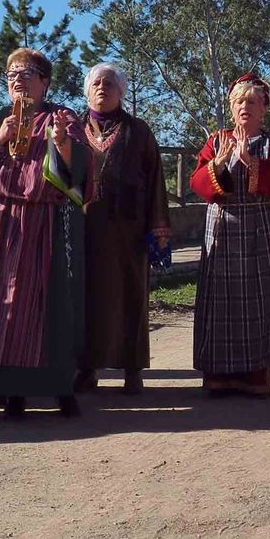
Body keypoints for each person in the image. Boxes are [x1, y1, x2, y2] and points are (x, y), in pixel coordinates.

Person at [0, 48, 91, 418]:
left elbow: (79, 171)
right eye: (12, 73)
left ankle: (60, 389)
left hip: (40, 224)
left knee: (46, 308)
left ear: (45, 82)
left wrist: (61, 143)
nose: (17, 78)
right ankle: (7, 392)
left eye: (27, 72)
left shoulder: (61, 117)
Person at [189, 73, 270, 397]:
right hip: (222, 229)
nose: (244, 107)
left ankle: (257, 376)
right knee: (221, 301)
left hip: (261, 231)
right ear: (231, 107)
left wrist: (252, 163)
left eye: (252, 101)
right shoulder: (217, 141)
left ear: (264, 109)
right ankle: (220, 375)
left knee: (259, 299)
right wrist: (218, 164)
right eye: (239, 102)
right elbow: (197, 183)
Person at [78, 63, 171, 395]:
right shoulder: (73, 130)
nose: (102, 88)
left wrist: (158, 228)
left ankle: (132, 370)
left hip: (129, 231)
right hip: (84, 231)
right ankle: (86, 369)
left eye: (110, 83)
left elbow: (157, 180)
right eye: (96, 83)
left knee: (131, 298)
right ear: (87, 91)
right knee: (85, 300)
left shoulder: (139, 131)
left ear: (121, 91)